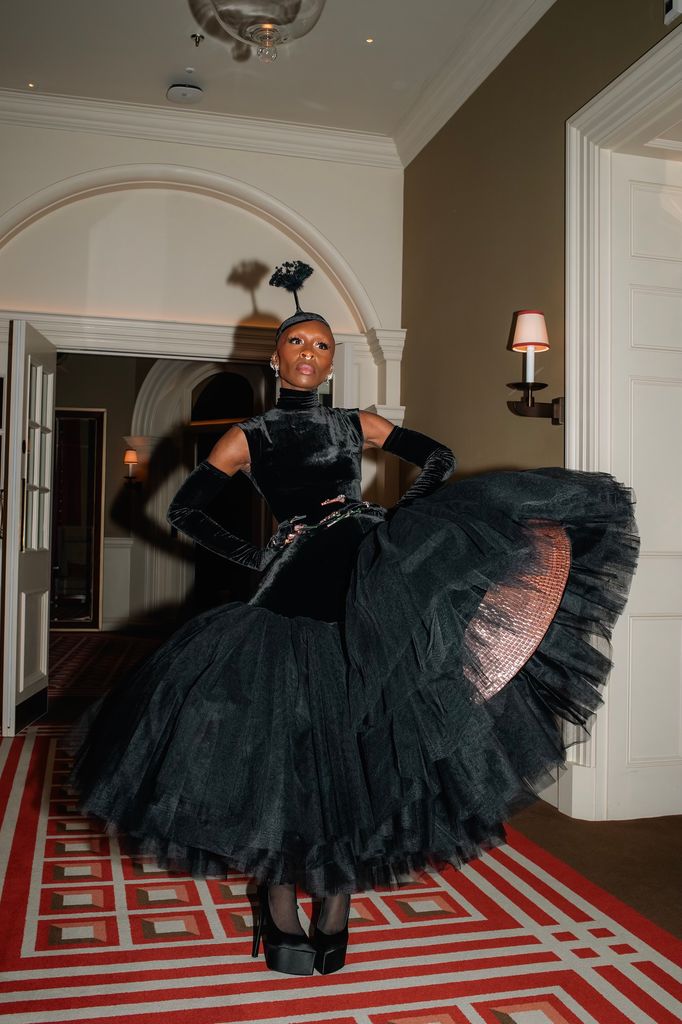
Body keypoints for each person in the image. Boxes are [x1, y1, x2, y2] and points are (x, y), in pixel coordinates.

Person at [71, 261, 638, 978]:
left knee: (359, 738)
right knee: (284, 744)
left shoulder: (352, 424)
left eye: (323, 346)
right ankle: (277, 898)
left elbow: (436, 456)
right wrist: (254, 554)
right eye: (298, 344)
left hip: (368, 575)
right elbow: (184, 511)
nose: (310, 355)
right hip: (287, 589)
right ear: (275, 357)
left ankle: (334, 893)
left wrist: (398, 517)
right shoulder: (249, 435)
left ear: (329, 360)